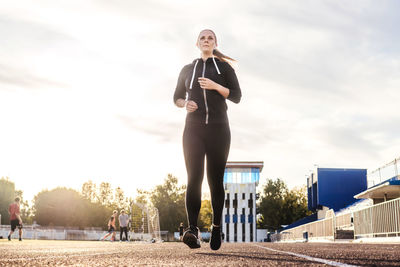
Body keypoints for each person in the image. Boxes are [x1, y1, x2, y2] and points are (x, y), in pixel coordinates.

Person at [173, 29, 241, 250]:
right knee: (194, 178)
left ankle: (216, 227)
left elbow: (237, 96)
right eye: (202, 37)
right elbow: (176, 97)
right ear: (197, 43)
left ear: (215, 43)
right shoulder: (187, 69)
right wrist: (185, 104)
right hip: (193, 130)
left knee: (215, 181)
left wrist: (215, 86)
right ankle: (192, 230)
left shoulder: (224, 68)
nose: (206, 40)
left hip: (219, 130)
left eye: (210, 37)